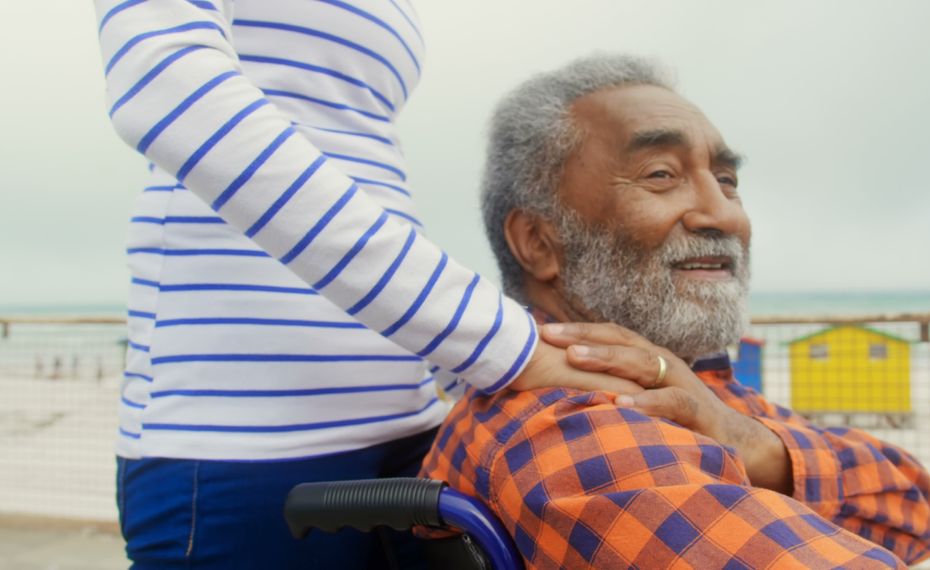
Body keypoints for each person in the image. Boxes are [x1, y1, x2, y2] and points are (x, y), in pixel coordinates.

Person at [93, 2, 646, 567]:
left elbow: (366, 169)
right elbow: (169, 91)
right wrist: (501, 345)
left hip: (412, 428)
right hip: (242, 441)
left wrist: (460, 368)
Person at [419, 54, 930, 568]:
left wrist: (749, 442)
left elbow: (920, 509)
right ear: (538, 242)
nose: (721, 213)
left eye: (727, 180)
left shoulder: (690, 385)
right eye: (660, 174)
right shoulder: (575, 428)